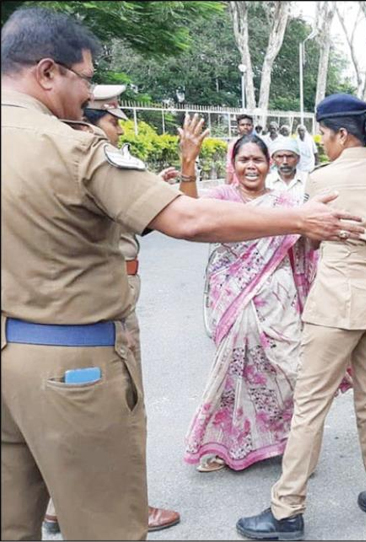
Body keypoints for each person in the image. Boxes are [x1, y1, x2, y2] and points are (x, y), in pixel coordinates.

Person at [1, 9, 363, 540]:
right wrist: (297, 218)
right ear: (48, 71)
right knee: (106, 525)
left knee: (11, 521)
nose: (95, 97)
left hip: (8, 357)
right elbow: (186, 218)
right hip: (73, 364)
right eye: (87, 80)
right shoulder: (72, 146)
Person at [235, 94, 366, 541]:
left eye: (323, 133)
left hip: (337, 301)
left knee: (310, 403)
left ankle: (287, 510)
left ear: (340, 133)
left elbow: (311, 238)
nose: (322, 140)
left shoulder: (322, 179)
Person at [41, 85, 183, 534]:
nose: (120, 125)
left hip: (62, 312)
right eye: (112, 117)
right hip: (105, 302)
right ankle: (127, 510)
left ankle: (58, 505)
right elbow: (189, 221)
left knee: (64, 413)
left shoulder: (50, 157)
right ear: (86, 121)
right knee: (121, 410)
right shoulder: (88, 157)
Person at [181, 134, 352, 473]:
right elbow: (188, 213)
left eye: (258, 160)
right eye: (244, 160)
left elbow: (307, 244)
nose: (251, 166)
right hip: (233, 295)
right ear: (234, 164)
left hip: (280, 299)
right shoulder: (223, 196)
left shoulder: (286, 202)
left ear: (268, 163)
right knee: (234, 367)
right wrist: (188, 164)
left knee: (292, 368)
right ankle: (225, 444)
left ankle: (294, 444)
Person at [226, 113, 254, 185]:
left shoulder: (259, 145)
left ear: (252, 126)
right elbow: (230, 168)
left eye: (248, 125)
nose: (245, 127)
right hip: (238, 185)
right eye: (242, 125)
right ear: (238, 127)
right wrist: (226, 188)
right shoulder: (233, 146)